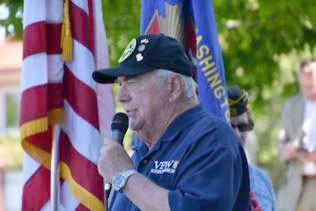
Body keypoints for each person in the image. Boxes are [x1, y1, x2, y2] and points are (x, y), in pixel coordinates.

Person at [93, 34, 250, 210]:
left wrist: (125, 176)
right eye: (120, 84)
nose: (121, 96)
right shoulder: (141, 151)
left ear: (174, 87)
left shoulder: (212, 139)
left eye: (132, 82)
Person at [228, 85, 276, 211]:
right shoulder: (201, 180)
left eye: (242, 126)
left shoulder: (262, 180)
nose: (237, 134)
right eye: (230, 126)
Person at [277, 59, 316, 211]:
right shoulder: (291, 105)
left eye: (312, 85)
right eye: (304, 86)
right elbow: (281, 142)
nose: (308, 89)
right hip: (296, 185)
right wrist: (287, 150)